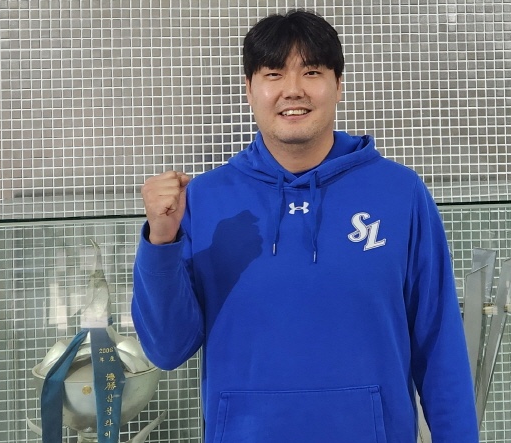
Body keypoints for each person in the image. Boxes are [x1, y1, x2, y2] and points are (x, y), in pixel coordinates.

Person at [131, 9, 479, 443]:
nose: (293, 89)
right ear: (249, 89)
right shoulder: (204, 200)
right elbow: (167, 349)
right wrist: (161, 239)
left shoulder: (400, 192)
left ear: (338, 85)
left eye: (312, 72)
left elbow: (439, 345)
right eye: (274, 74)